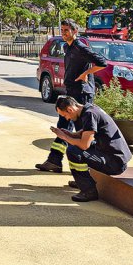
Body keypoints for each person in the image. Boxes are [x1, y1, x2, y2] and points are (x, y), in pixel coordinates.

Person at [36, 19, 106, 173]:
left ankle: (88, 171)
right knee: (62, 128)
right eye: (62, 30)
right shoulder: (68, 47)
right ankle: (54, 160)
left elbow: (102, 62)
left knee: (83, 133)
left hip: (81, 95)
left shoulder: (80, 47)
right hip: (71, 93)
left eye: (66, 30)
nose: (64, 33)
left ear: (75, 31)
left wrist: (86, 74)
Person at [50, 95, 133, 202]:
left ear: (70, 109)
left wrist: (64, 137)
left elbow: (84, 145)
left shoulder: (90, 115)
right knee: (74, 146)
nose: (67, 118)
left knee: (73, 151)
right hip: (111, 154)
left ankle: (89, 191)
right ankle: (82, 181)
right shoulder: (90, 109)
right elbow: (86, 132)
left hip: (115, 163)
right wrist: (71, 134)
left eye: (65, 115)